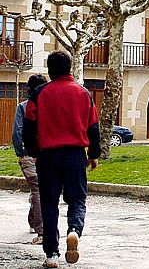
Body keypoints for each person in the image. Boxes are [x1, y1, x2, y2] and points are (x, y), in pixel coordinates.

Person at [22, 51, 100, 268]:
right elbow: (93, 126)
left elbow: (28, 128)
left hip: (48, 156)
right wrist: (93, 154)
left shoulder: (38, 94)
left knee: (49, 203)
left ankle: (52, 254)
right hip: (75, 155)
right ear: (70, 67)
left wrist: (34, 151)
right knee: (77, 199)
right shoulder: (83, 93)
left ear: (50, 69)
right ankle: (74, 230)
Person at [11, 74, 48, 245]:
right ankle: (41, 228)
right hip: (48, 153)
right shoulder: (50, 106)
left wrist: (20, 152)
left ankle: (36, 224)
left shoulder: (23, 107)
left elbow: (17, 132)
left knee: (37, 190)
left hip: (29, 154)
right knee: (42, 189)